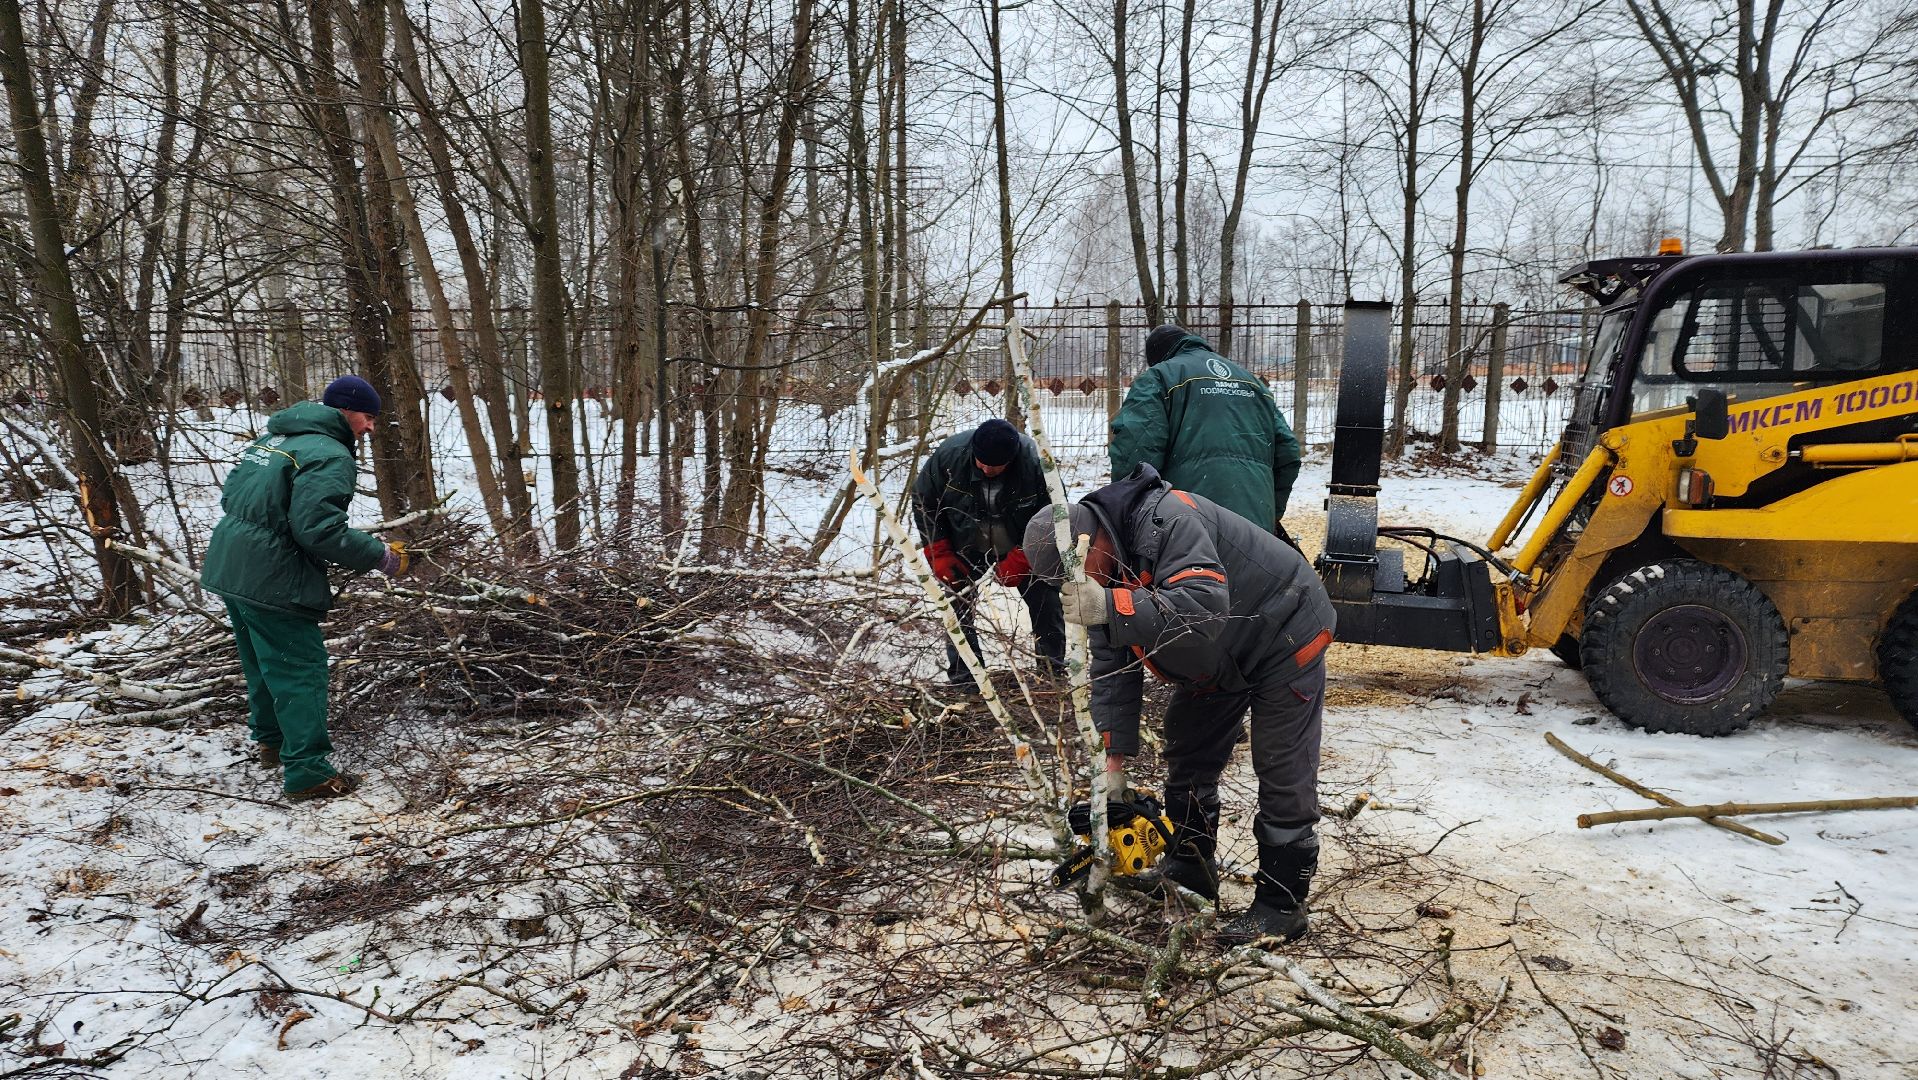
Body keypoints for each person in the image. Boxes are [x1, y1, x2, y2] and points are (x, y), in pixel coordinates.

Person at [1021, 463, 1336, 945]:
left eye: (1075, 573)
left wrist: (1109, 605)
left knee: (1279, 764)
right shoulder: (1103, 575)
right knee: (1188, 752)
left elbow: (1205, 605)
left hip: (1283, 630)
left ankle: (1282, 904)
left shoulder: (1168, 521)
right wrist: (1113, 766)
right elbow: (1112, 669)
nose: (1077, 584)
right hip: (1216, 658)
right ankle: (1191, 867)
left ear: (1091, 542)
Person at [200, 375, 409, 802]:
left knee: (262, 660)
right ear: (346, 410)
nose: (370, 427)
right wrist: (380, 556)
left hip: (230, 564)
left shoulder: (274, 439)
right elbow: (318, 530)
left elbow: (231, 497)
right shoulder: (330, 453)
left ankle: (273, 742)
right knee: (300, 668)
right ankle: (308, 772)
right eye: (368, 417)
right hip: (272, 576)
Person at [912, 418, 1066, 688]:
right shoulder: (950, 456)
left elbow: (1056, 515)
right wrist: (938, 551)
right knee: (956, 604)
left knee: (1047, 600)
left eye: (995, 466)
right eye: (981, 462)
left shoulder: (1036, 464)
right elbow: (924, 500)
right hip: (965, 542)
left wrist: (1024, 556)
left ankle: (1051, 674)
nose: (986, 469)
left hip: (1021, 540)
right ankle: (966, 677)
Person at [1108, 324, 1303, 536]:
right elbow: (1288, 453)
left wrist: (1126, 513)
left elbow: (1135, 455)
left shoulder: (1159, 377)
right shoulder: (1252, 382)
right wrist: (1269, 511)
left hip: (1189, 527)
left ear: (1158, 356)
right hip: (1255, 532)